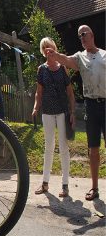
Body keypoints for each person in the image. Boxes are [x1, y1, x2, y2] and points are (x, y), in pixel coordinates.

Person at [46, 25, 105, 201]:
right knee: (93, 149)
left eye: (84, 34)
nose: (82, 38)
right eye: (79, 36)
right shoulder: (80, 57)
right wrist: (55, 55)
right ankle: (94, 188)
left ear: (92, 35)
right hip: (91, 106)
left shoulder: (104, 55)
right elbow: (66, 60)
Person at [32, 37, 76, 197]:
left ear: (54, 48)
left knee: (63, 148)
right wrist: (36, 107)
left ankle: (65, 185)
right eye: (44, 48)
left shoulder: (63, 67)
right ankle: (45, 183)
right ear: (42, 51)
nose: (47, 50)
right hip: (47, 112)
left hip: (62, 111)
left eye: (49, 47)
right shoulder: (41, 69)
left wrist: (72, 112)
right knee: (48, 147)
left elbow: (70, 93)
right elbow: (39, 92)